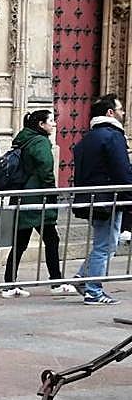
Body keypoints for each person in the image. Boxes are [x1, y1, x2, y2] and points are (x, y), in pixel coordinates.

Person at [0, 110, 77, 298]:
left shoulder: (24, 139)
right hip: (37, 199)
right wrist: (51, 190)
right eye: (50, 121)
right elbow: (45, 167)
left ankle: (9, 283)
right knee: (51, 239)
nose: (54, 125)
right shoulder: (40, 142)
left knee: (20, 242)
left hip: (23, 196)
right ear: (41, 125)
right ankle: (56, 281)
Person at [71, 94, 132, 305]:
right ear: (110, 113)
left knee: (106, 243)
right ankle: (93, 291)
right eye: (120, 109)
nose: (123, 113)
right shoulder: (112, 136)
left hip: (91, 198)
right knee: (105, 246)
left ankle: (82, 278)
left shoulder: (88, 138)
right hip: (109, 199)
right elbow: (122, 170)